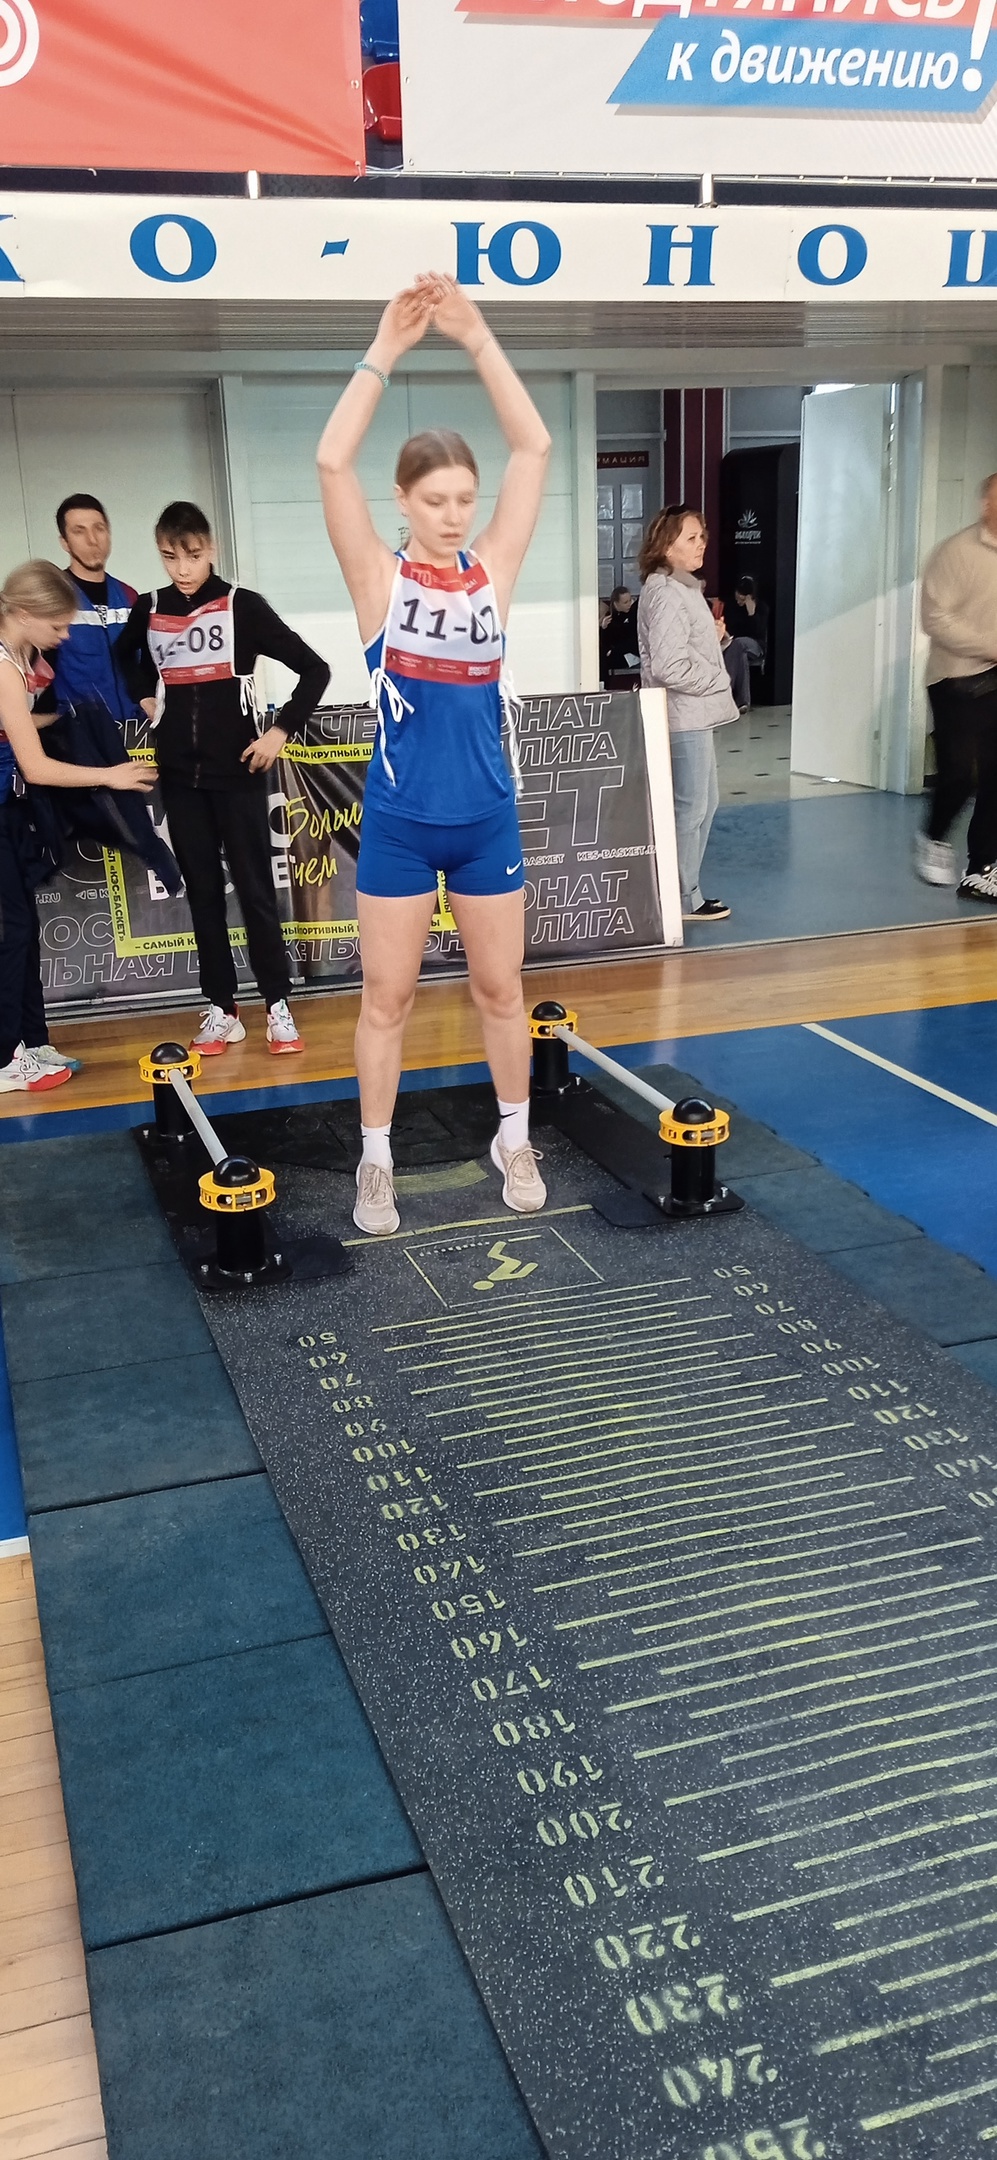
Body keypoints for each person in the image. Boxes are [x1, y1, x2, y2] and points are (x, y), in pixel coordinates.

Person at [316, 272, 551, 1237]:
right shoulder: (380, 580)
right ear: (405, 500)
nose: (454, 514)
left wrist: (477, 336)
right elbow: (331, 461)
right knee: (388, 998)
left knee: (501, 991)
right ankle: (374, 1159)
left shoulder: (492, 572)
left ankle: (514, 1138)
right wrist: (387, 346)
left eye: (465, 499)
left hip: (486, 820)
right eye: (436, 499)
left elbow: (533, 446)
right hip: (402, 826)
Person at [117, 502, 330, 1055]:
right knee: (204, 894)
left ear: (209, 548)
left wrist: (280, 730)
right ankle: (222, 1008)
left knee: (257, 892)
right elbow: (124, 657)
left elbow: (315, 669)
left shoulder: (243, 605)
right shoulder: (149, 607)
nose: (182, 568)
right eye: (169, 557)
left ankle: (277, 1005)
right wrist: (145, 698)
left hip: (238, 773)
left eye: (191, 555)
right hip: (179, 777)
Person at [0, 561, 157, 1091]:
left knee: (24, 931)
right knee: (10, 931)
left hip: (7, 804)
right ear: (25, 614)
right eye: (58, 626)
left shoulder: (17, 656)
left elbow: (17, 722)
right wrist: (110, 774)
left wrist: (69, 716)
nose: (65, 636)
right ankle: (4, 1060)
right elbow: (35, 766)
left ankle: (30, 1042)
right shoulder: (2, 666)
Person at [637, 503, 737, 924]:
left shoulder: (681, 588)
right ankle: (681, 898)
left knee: (703, 805)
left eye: (702, 536)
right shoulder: (665, 593)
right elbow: (669, 666)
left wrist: (716, 641)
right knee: (691, 809)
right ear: (667, 546)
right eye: (692, 538)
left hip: (692, 715)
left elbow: (681, 651)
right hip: (682, 718)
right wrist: (716, 677)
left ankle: (686, 892)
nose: (702, 544)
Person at [917, 474, 997, 899]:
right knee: (961, 774)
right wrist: (992, 645)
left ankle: (982, 868)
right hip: (956, 679)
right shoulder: (957, 552)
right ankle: (934, 835)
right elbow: (935, 619)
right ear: (986, 505)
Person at [46, 494, 140, 727]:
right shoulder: (53, 598)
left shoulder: (129, 596)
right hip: (80, 736)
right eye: (79, 531)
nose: (92, 540)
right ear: (64, 542)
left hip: (135, 732)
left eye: (99, 528)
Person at [723, 576, 768, 713]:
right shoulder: (732, 607)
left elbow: (758, 633)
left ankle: (725, 691)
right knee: (740, 655)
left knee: (738, 644)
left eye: (742, 599)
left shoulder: (761, 608)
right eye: (738, 597)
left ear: (750, 597)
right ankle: (743, 702)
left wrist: (751, 614)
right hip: (735, 645)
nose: (739, 601)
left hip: (755, 645)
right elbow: (731, 628)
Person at [602, 585, 640, 681]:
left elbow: (633, 640)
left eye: (630, 600)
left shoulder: (633, 614)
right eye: (625, 602)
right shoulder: (610, 619)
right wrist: (603, 628)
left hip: (632, 653)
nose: (629, 604)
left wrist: (614, 650)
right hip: (618, 653)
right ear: (616, 604)